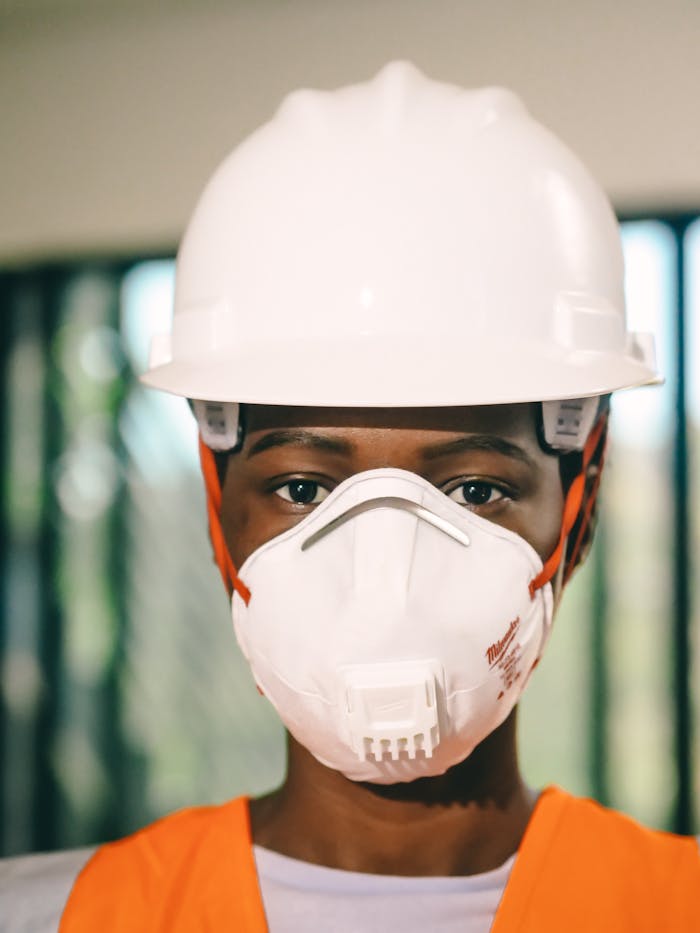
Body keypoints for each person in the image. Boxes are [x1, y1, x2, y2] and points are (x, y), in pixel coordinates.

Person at [59, 62, 699, 930]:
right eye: (302, 487)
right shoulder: (61, 916)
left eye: (474, 489)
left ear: (577, 508)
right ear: (220, 508)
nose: (383, 572)